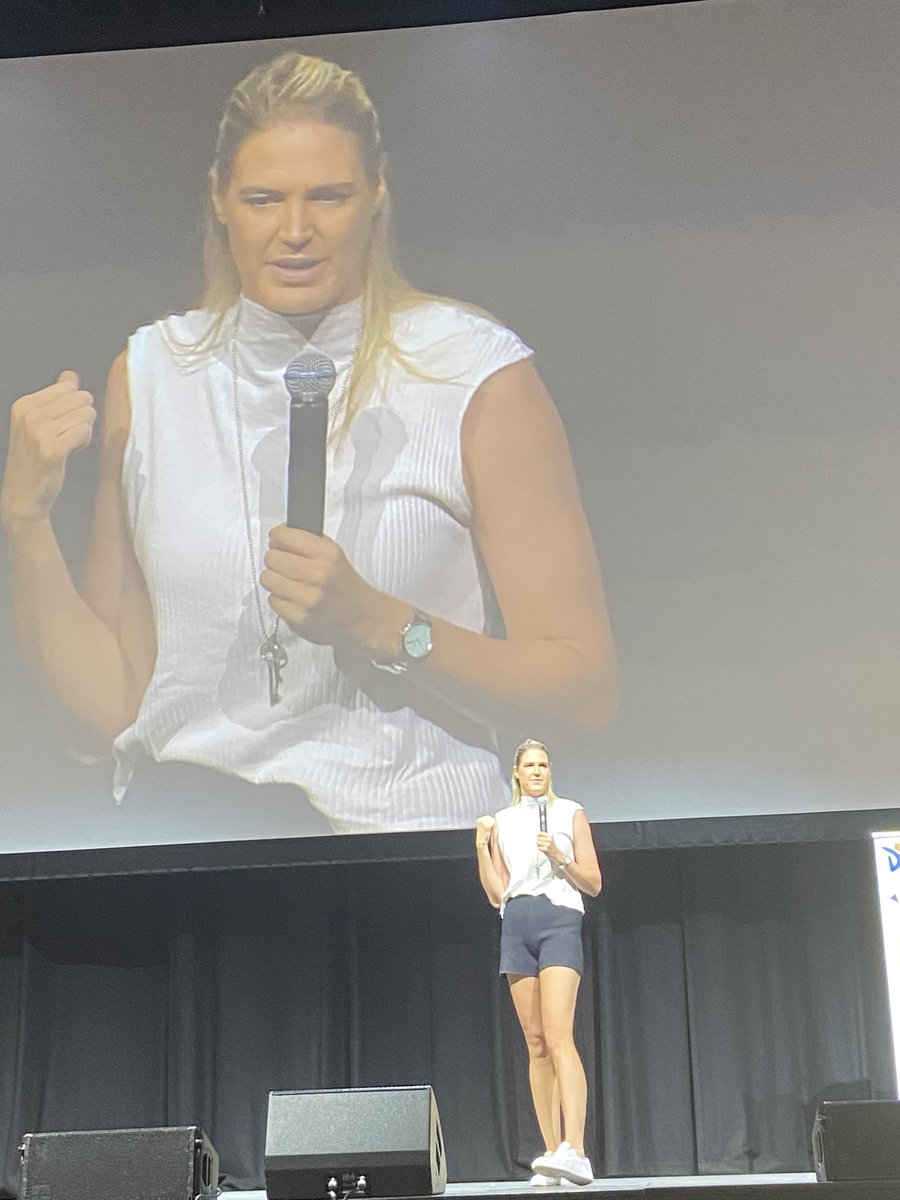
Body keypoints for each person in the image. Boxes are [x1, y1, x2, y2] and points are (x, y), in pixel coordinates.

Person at [1, 52, 616, 833]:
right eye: (264, 199)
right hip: (190, 851)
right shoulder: (151, 373)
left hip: (408, 850)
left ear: (377, 192)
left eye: (328, 197)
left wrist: (389, 626)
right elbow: (102, 717)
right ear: (219, 200)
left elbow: (582, 689)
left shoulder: (473, 373)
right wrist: (22, 523)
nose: (295, 232)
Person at [476, 738, 601, 1185]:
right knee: (535, 1043)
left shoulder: (570, 812)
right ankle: (551, 1153)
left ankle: (577, 1151)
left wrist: (559, 856)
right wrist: (480, 846)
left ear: (550, 771)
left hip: (559, 920)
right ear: (516, 772)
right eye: (529, 765)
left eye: (543, 765)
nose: (536, 771)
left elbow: (593, 883)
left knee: (559, 1034)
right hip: (517, 924)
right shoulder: (504, 822)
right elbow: (497, 893)